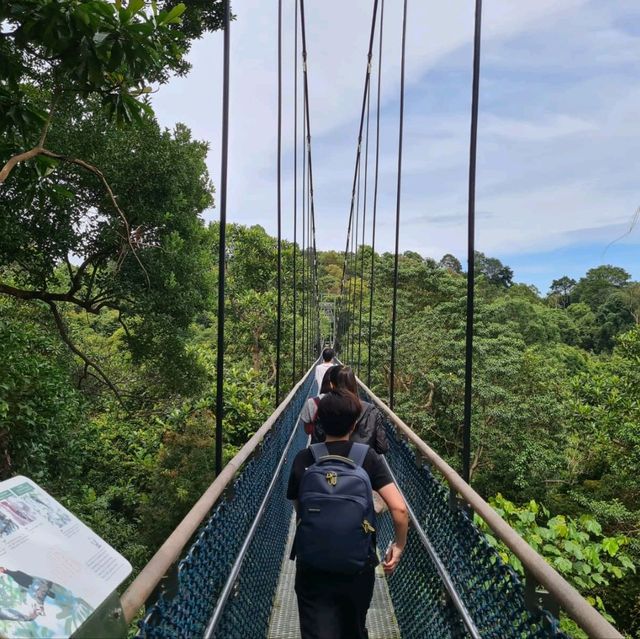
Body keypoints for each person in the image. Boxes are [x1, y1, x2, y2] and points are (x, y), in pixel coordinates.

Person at [287, 390, 408, 639]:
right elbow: (399, 509)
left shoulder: (304, 458)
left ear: (319, 421)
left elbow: (300, 508)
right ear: (354, 424)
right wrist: (398, 545)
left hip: (312, 563)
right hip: (357, 564)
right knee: (353, 629)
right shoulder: (368, 459)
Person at [311, 365, 389, 454]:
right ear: (354, 383)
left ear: (331, 385)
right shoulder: (371, 411)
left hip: (330, 463)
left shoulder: (325, 407)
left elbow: (316, 441)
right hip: (362, 463)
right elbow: (382, 447)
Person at [299, 365, 335, 436]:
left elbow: (307, 430)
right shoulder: (351, 404)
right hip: (342, 445)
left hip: (317, 445)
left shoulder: (312, 403)